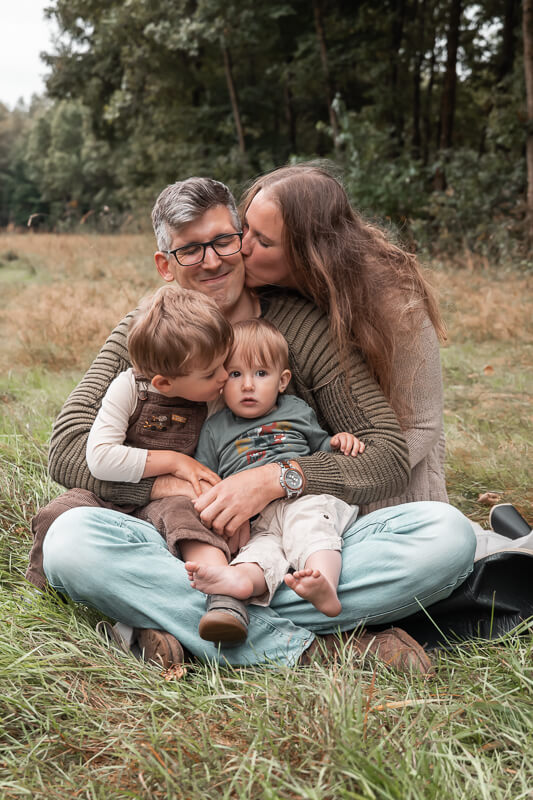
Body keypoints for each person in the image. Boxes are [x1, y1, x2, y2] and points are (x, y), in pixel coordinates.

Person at [26, 176, 476, 673]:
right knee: (73, 543)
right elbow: (67, 447)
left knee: (447, 537)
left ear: (240, 239)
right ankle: (317, 650)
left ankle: (178, 617)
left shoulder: (298, 328)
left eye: (223, 240)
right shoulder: (151, 332)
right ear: (165, 265)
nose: (213, 260)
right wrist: (176, 485)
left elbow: (386, 452)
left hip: (288, 538)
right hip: (177, 542)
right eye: (190, 250)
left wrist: (272, 480)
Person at [187, 318, 363, 618]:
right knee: (258, 553)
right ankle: (241, 581)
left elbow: (321, 452)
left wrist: (338, 441)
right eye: (235, 374)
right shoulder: (215, 428)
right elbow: (207, 479)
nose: (247, 385)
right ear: (220, 381)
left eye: (260, 373)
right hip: (255, 520)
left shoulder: (296, 410)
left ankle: (324, 583)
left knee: (311, 529)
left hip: (300, 499)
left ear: (282, 381)